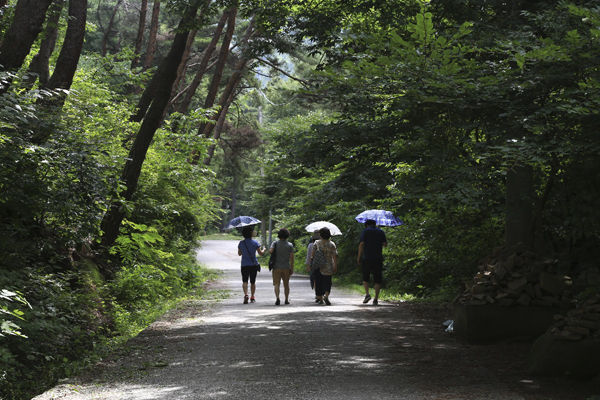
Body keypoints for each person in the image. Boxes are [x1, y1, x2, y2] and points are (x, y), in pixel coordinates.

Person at [356, 219, 387, 305]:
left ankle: (367, 295)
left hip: (367, 258)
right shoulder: (380, 231)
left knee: (366, 277)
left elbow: (361, 244)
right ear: (375, 224)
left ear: (366, 225)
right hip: (378, 258)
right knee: (377, 279)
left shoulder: (365, 231)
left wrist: (359, 257)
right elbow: (385, 244)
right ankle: (376, 299)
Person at [310, 227, 338, 305]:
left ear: (321, 235)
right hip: (329, 266)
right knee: (328, 282)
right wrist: (335, 266)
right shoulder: (332, 244)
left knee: (318, 282)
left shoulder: (317, 243)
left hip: (318, 266)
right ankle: (326, 295)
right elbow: (335, 256)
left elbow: (312, 255)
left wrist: (311, 264)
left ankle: (320, 298)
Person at [238, 225, 265, 304]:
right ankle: (252, 297)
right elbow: (261, 254)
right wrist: (264, 249)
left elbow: (239, 254)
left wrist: (243, 251)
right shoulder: (255, 242)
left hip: (244, 264)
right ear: (251, 233)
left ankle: (246, 295)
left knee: (245, 281)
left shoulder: (241, 243)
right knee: (253, 282)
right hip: (253, 265)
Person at [269, 228, 295, 305]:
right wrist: (292, 268)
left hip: (276, 267)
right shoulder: (290, 245)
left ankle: (277, 298)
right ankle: (286, 299)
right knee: (286, 284)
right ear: (287, 235)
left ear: (279, 235)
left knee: (276, 284)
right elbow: (292, 258)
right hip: (286, 267)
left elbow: (270, 251)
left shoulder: (275, 243)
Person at [305, 230, 320, 302]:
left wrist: (308, 265)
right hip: (323, 264)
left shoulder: (310, 245)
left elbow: (308, 256)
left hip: (313, 264)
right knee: (321, 279)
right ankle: (321, 294)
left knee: (314, 279)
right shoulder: (324, 243)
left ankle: (317, 294)